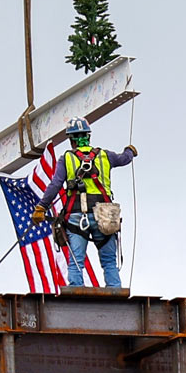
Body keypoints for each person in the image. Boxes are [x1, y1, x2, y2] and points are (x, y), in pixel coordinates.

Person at [41, 118, 137, 288]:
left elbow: (55, 184)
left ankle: (77, 294)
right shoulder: (105, 156)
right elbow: (124, 159)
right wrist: (130, 151)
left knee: (76, 261)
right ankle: (115, 292)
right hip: (105, 214)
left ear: (71, 140)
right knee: (109, 261)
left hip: (77, 216)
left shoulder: (67, 159)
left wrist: (41, 207)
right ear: (88, 136)